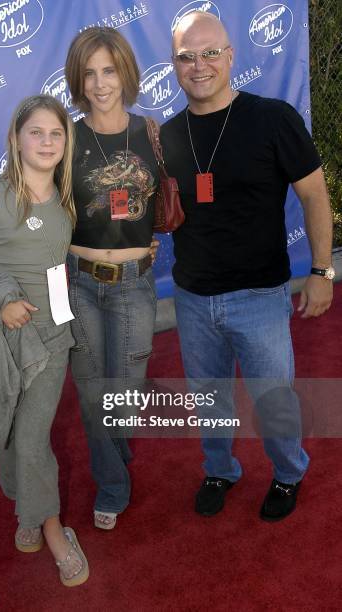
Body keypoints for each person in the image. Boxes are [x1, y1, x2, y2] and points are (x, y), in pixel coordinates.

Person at [159, 12, 334, 521]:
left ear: (231, 56)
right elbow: (152, 212)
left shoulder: (273, 118)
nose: (199, 65)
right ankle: (220, 468)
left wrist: (322, 271)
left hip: (259, 295)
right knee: (209, 400)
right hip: (192, 298)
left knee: (274, 399)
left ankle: (287, 474)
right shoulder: (166, 136)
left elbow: (315, 196)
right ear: (173, 64)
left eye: (210, 52)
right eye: (187, 56)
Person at [0, 95, 89, 586]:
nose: (47, 141)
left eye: (56, 133)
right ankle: (27, 510)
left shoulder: (68, 199)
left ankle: (52, 527)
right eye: (37, 132)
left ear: (65, 142)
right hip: (1, 339)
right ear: (16, 138)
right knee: (6, 435)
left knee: (32, 438)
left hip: (52, 340)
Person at [64, 27, 159, 530]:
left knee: (125, 392)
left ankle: (115, 449)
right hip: (77, 282)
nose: (101, 84)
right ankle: (112, 484)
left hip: (134, 283)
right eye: (90, 73)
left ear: (125, 72)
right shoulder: (67, 135)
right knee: (90, 392)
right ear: (78, 80)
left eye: (109, 70)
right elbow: (31, 197)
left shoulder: (153, 131)